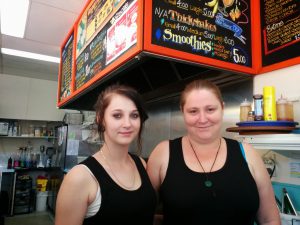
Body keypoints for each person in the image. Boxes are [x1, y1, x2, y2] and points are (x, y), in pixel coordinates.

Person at [147, 79, 280, 225]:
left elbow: (270, 219)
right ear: (183, 112)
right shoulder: (163, 154)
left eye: (210, 109)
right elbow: (142, 214)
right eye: (193, 111)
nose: (202, 119)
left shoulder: (248, 154)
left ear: (222, 108)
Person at [55, 84, 157, 225]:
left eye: (134, 115)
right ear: (100, 119)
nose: (127, 124)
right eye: (117, 115)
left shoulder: (141, 164)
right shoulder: (80, 177)